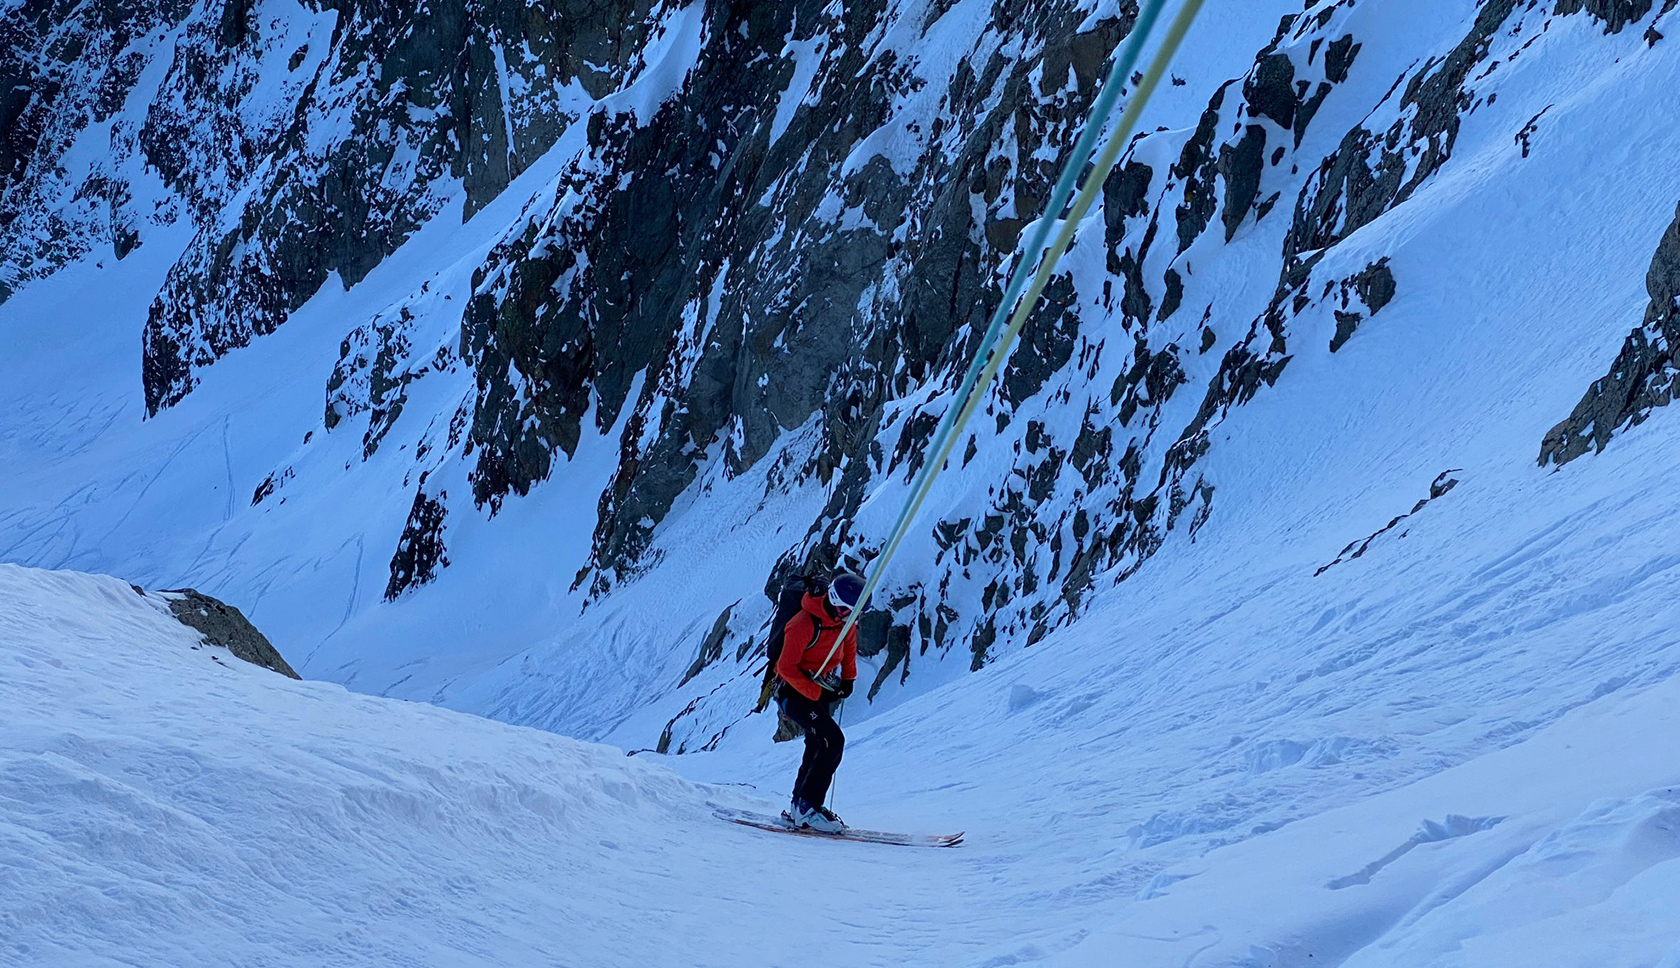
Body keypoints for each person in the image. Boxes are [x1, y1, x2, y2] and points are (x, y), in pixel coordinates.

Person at [775, 570, 865, 832]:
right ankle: (808, 808)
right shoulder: (803, 624)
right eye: (851, 612)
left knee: (817, 742)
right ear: (837, 604)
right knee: (832, 740)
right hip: (792, 690)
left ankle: (800, 805)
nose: (854, 618)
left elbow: (849, 646)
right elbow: (786, 667)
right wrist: (817, 694)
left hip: (815, 685)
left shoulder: (842, 622)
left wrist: (848, 680)